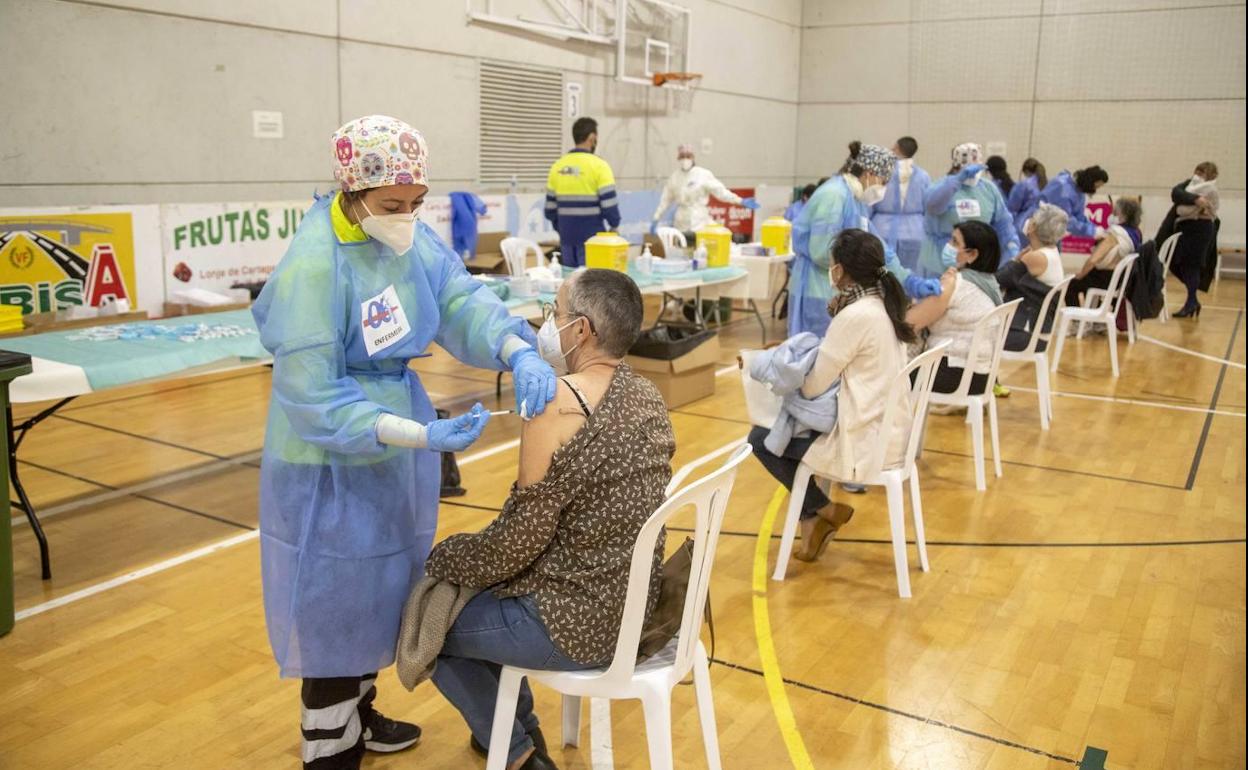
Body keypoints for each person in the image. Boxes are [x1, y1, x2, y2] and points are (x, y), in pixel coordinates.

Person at [253, 114, 558, 770]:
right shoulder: (315, 264)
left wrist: (515, 347)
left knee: (382, 589)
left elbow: (458, 299)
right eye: (393, 205)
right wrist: (417, 434)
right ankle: (329, 749)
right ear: (352, 194)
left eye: (417, 203)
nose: (407, 217)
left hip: (393, 449)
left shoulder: (404, 239)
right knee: (333, 601)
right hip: (328, 461)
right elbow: (315, 399)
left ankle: (359, 717)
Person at [423, 270, 675, 770]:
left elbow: (516, 544)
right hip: (639, 609)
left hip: (578, 622)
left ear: (581, 331)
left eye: (555, 313)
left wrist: (443, 555)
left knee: (429, 623)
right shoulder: (649, 397)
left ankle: (518, 752)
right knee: (475, 595)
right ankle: (512, 734)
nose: (547, 324)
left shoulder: (555, 404)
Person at [748, 229, 916, 561]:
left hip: (864, 438)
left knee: (762, 438)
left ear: (839, 270)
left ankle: (820, 509)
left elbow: (812, 386)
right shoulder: (881, 304)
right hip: (888, 428)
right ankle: (815, 520)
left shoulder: (856, 315)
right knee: (783, 431)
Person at [789, 141, 896, 337]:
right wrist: (862, 266)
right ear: (870, 174)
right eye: (884, 181)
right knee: (816, 354)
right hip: (818, 289)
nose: (883, 188)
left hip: (836, 288)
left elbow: (874, 242)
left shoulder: (854, 199)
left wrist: (903, 276)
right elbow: (822, 252)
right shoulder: (834, 196)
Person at [907, 220, 1004, 395]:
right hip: (982, 376)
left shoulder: (955, 283)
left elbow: (911, 323)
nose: (948, 246)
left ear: (972, 255)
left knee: (889, 372)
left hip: (954, 374)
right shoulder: (990, 282)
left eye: (955, 242)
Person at [916, 143, 1019, 280]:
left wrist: (1011, 245)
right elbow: (933, 206)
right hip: (939, 261)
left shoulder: (988, 189)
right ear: (957, 164)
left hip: (975, 262)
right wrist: (957, 180)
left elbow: (1003, 223)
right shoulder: (941, 186)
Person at [545, 117, 620, 267]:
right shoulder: (600, 166)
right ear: (592, 138)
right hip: (593, 242)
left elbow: (549, 211)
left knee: (571, 284)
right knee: (591, 285)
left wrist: (563, 229)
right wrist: (614, 225)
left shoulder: (557, 166)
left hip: (566, 239)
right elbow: (610, 207)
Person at [652, 144, 759, 237]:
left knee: (700, 250)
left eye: (688, 156)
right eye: (682, 156)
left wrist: (740, 201)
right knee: (683, 250)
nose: (685, 159)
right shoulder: (674, 178)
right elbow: (665, 200)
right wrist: (656, 218)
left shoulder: (702, 175)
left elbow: (721, 192)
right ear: (678, 158)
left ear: (693, 157)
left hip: (700, 220)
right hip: (681, 222)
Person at [1067, 197, 1143, 307]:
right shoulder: (1136, 233)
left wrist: (1080, 274)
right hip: (1121, 278)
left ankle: (1076, 319)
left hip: (1107, 278)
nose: (1112, 215)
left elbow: (1093, 260)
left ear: (1123, 214)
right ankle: (1093, 313)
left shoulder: (1115, 234)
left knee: (1072, 285)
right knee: (1089, 280)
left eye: (1115, 212)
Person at [870, 136, 932, 272]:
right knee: (913, 273)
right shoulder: (923, 176)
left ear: (896, 148)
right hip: (915, 232)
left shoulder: (881, 172)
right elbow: (929, 205)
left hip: (881, 230)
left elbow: (870, 201)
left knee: (882, 272)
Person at [1169, 162, 1220, 317]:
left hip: (1200, 229)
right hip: (1187, 228)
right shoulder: (1190, 185)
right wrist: (1195, 199)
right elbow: (1176, 194)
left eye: (1202, 172)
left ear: (1210, 174)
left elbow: (1184, 209)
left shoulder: (1210, 188)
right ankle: (1193, 299)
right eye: (1196, 170)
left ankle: (1191, 301)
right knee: (1179, 264)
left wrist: (1187, 203)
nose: (1197, 174)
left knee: (1192, 265)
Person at [1025, 166, 1109, 239]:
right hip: (1037, 229)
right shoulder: (1063, 190)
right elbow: (1066, 221)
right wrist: (1092, 231)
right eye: (1096, 186)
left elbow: (1079, 216)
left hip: (1050, 231)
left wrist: (1094, 228)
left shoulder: (1079, 192)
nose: (1095, 190)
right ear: (1091, 182)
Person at [1018, 202, 1068, 288]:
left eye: (1031, 218)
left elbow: (1001, 279)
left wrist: (1015, 260)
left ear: (1033, 227)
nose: (1028, 220)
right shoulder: (1052, 250)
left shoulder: (1036, 257)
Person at [1007, 158, 1047, 234]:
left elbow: (1012, 207)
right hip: (1043, 226)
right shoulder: (1046, 184)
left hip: (1024, 226)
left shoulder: (1023, 185)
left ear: (1025, 171)